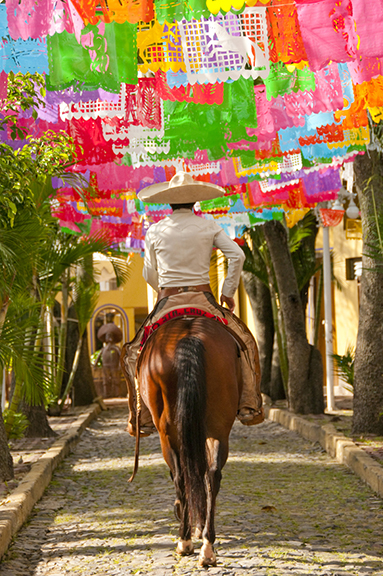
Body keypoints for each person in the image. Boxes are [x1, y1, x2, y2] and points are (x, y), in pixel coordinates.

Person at [122, 171, 263, 436]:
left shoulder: (155, 230)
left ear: (169, 202)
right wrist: (228, 291)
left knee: (133, 353)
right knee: (244, 342)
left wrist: (162, 291)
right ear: (195, 202)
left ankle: (140, 415)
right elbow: (237, 255)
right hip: (203, 299)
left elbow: (148, 274)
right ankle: (248, 403)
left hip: (168, 301)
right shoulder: (208, 225)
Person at [94, 322, 123, 398]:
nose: (109, 337)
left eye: (110, 336)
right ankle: (107, 394)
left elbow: (121, 357)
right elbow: (98, 357)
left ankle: (117, 394)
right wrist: (95, 364)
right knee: (106, 381)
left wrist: (120, 365)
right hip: (105, 366)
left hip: (114, 367)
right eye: (107, 336)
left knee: (116, 380)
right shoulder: (103, 349)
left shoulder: (116, 348)